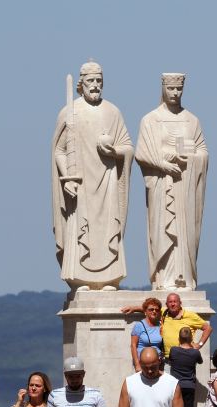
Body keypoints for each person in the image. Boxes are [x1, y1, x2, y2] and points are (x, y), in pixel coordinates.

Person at [52, 60, 132, 291]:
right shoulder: (70, 112)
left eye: (99, 81)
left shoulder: (112, 111)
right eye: (91, 81)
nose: (95, 85)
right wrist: (67, 178)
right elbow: (59, 150)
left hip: (106, 181)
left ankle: (109, 277)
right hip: (81, 183)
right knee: (80, 229)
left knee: (107, 227)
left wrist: (115, 152)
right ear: (81, 84)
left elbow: (127, 146)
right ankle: (80, 278)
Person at [135, 72, 208, 291]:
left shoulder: (192, 120)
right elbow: (141, 153)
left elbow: (202, 151)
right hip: (162, 184)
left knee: (185, 231)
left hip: (185, 186)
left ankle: (183, 277)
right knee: (162, 230)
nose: (175, 93)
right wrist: (164, 162)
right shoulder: (150, 120)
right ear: (163, 88)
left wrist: (193, 158)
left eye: (179, 89)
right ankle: (164, 277)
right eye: (171, 89)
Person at [166, 326, 202, 407]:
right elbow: (200, 361)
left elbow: (170, 361)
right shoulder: (194, 353)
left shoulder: (174, 350)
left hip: (176, 386)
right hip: (190, 385)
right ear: (191, 338)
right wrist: (193, 345)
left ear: (179, 338)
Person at [130, 297, 164, 370]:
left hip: (157, 364)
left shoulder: (160, 325)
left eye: (156, 310)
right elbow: (133, 346)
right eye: (151, 309)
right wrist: (137, 365)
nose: (154, 311)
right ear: (145, 311)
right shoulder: (139, 325)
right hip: (143, 365)